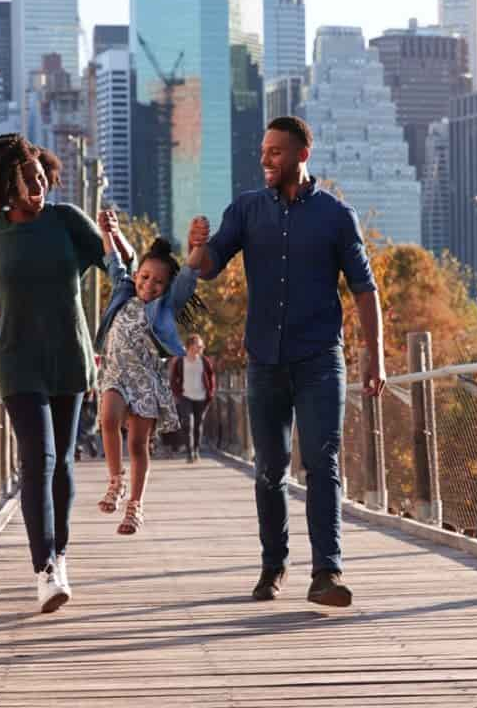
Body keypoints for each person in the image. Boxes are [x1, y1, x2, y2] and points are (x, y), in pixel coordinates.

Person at [188, 115, 386, 608]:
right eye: (262, 152)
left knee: (323, 461)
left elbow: (365, 291)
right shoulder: (246, 210)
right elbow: (210, 266)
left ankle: (327, 572)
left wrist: (374, 358)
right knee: (269, 468)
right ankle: (273, 565)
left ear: (302, 154)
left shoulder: (338, 217)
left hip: (320, 358)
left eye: (275, 151)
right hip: (265, 361)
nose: (265, 160)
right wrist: (195, 250)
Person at [0, 133, 104, 614]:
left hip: (69, 357)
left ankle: (61, 552)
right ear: (5, 187)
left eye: (40, 176)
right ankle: (45, 569)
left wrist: (132, 268)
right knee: (40, 459)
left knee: (63, 466)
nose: (38, 186)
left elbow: (118, 266)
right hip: (17, 360)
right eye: (27, 180)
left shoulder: (67, 221)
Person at [92, 210, 206, 534]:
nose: (148, 285)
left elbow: (187, 276)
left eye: (158, 282)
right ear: (137, 274)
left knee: (138, 445)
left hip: (146, 379)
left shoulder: (165, 307)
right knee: (108, 419)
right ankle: (116, 481)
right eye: (144, 277)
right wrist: (108, 231)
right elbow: (114, 260)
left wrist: (197, 245)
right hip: (116, 373)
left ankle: (135, 507)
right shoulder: (123, 291)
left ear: (166, 287)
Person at [169, 335, 217, 463]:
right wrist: (177, 393)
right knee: (187, 423)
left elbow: (211, 377)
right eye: (199, 346)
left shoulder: (204, 361)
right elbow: (173, 379)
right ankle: (190, 453)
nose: (202, 348)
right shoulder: (180, 361)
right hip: (185, 396)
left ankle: (196, 450)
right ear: (190, 346)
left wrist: (210, 393)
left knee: (198, 424)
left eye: (202, 346)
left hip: (201, 397)